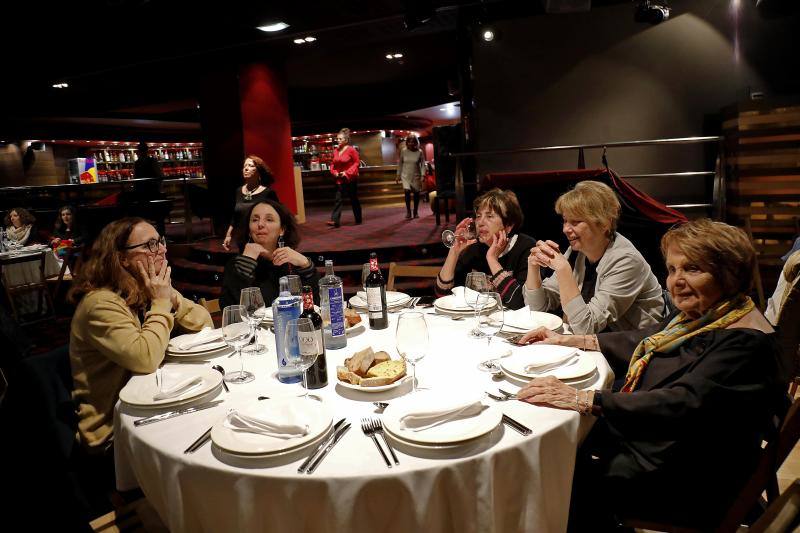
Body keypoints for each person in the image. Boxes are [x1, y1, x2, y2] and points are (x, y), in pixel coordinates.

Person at [517, 219, 790, 530]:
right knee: (567, 444)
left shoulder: (745, 342)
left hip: (690, 474)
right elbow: (648, 336)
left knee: (561, 476)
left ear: (729, 274)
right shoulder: (717, 313)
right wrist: (571, 339)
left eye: (693, 269)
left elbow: (682, 402)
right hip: (673, 440)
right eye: (672, 269)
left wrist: (583, 398)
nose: (677, 280)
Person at [69, 217, 212, 455]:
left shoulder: (144, 287)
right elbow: (146, 359)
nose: (163, 250)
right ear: (121, 258)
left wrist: (173, 298)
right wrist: (161, 302)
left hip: (153, 407)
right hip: (115, 433)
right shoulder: (101, 303)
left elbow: (204, 324)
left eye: (161, 242)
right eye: (150, 245)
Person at [524, 180, 663, 334]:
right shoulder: (576, 252)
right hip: (593, 344)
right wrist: (533, 266)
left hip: (633, 350)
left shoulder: (626, 260)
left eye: (576, 222)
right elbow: (536, 309)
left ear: (604, 224)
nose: (565, 229)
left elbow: (586, 328)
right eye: (565, 221)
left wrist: (563, 269)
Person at [435, 188, 534, 309]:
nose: (480, 222)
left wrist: (492, 259)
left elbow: (520, 303)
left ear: (509, 225)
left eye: (489, 216)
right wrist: (454, 251)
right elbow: (443, 296)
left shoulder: (526, 248)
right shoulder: (473, 248)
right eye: (478, 216)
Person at [221, 200, 319, 308]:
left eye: (269, 219)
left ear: (282, 229)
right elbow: (230, 311)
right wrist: (245, 265)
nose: (260, 224)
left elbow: (316, 305)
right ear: (249, 230)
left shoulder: (292, 263)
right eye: (254, 220)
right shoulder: (236, 265)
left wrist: (306, 266)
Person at [223, 155, 279, 251]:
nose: (246, 169)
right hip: (242, 238)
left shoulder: (267, 193)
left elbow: (278, 216)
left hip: (261, 237)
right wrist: (228, 235)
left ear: (258, 171)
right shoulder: (239, 191)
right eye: (245, 166)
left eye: (250, 166)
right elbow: (235, 216)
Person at [327, 128, 362, 228]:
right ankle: (335, 221)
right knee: (338, 199)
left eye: (340, 139)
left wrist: (346, 173)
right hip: (339, 179)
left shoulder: (351, 150)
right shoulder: (335, 151)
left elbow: (356, 163)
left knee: (353, 199)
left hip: (350, 179)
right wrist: (334, 173)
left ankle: (358, 218)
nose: (338, 140)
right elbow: (333, 164)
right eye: (337, 139)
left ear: (346, 140)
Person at [396, 135, 426, 219]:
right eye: (409, 141)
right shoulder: (403, 151)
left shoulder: (419, 152)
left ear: (416, 142)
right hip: (405, 175)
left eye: (413, 142)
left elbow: (423, 164)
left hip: (416, 175)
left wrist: (423, 175)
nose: (411, 143)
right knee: (407, 192)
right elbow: (400, 163)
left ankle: (415, 211)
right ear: (407, 142)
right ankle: (408, 211)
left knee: (416, 194)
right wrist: (398, 175)